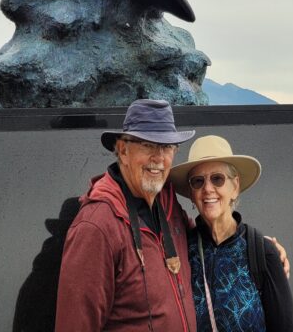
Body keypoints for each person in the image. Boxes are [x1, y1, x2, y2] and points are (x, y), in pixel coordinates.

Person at [55, 99, 197, 332]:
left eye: (167, 147)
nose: (159, 158)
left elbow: (205, 246)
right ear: (122, 150)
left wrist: (261, 251)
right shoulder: (97, 226)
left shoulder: (168, 204)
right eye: (147, 145)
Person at [170, 136, 293, 332]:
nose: (208, 189)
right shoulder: (183, 251)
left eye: (217, 179)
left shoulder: (262, 252)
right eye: (198, 181)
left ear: (235, 186)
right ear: (192, 194)